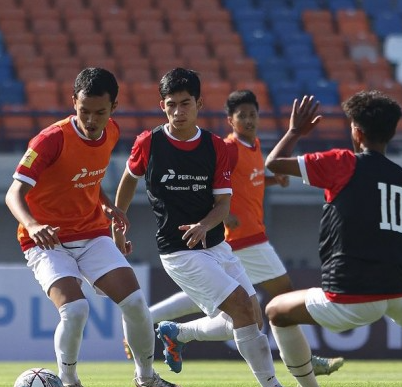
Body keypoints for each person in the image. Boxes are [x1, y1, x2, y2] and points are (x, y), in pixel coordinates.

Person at [264, 91, 402, 387]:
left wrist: (294, 131)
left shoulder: (342, 162)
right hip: (401, 289)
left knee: (276, 311)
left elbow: (274, 164)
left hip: (351, 292)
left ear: (357, 131)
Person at [138, 90, 344, 376]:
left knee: (231, 309)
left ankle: (163, 326)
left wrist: (271, 180)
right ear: (230, 120)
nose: (248, 120)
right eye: (242, 116)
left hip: (249, 237)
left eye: (252, 114)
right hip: (243, 238)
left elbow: (247, 183)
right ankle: (305, 362)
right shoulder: (229, 147)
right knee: (283, 298)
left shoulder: (254, 145)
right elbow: (206, 183)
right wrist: (225, 212)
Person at [4, 67, 177, 387]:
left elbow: (86, 178)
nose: (92, 119)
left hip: (92, 233)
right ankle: (69, 381)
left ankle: (146, 379)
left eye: (100, 112)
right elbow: (13, 193)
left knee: (137, 305)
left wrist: (108, 205)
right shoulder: (50, 140)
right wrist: (32, 224)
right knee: (76, 310)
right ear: (73, 103)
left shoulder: (111, 131)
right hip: (46, 241)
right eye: (84, 111)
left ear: (113, 108)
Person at [113, 68, 284, 387]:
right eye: (171, 104)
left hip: (217, 246)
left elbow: (223, 206)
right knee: (241, 310)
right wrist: (118, 225)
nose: (178, 112)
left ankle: (177, 333)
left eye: (185, 103)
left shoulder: (217, 148)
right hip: (179, 251)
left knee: (251, 315)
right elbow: (128, 181)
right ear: (162, 105)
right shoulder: (148, 143)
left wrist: (205, 225)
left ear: (199, 103)